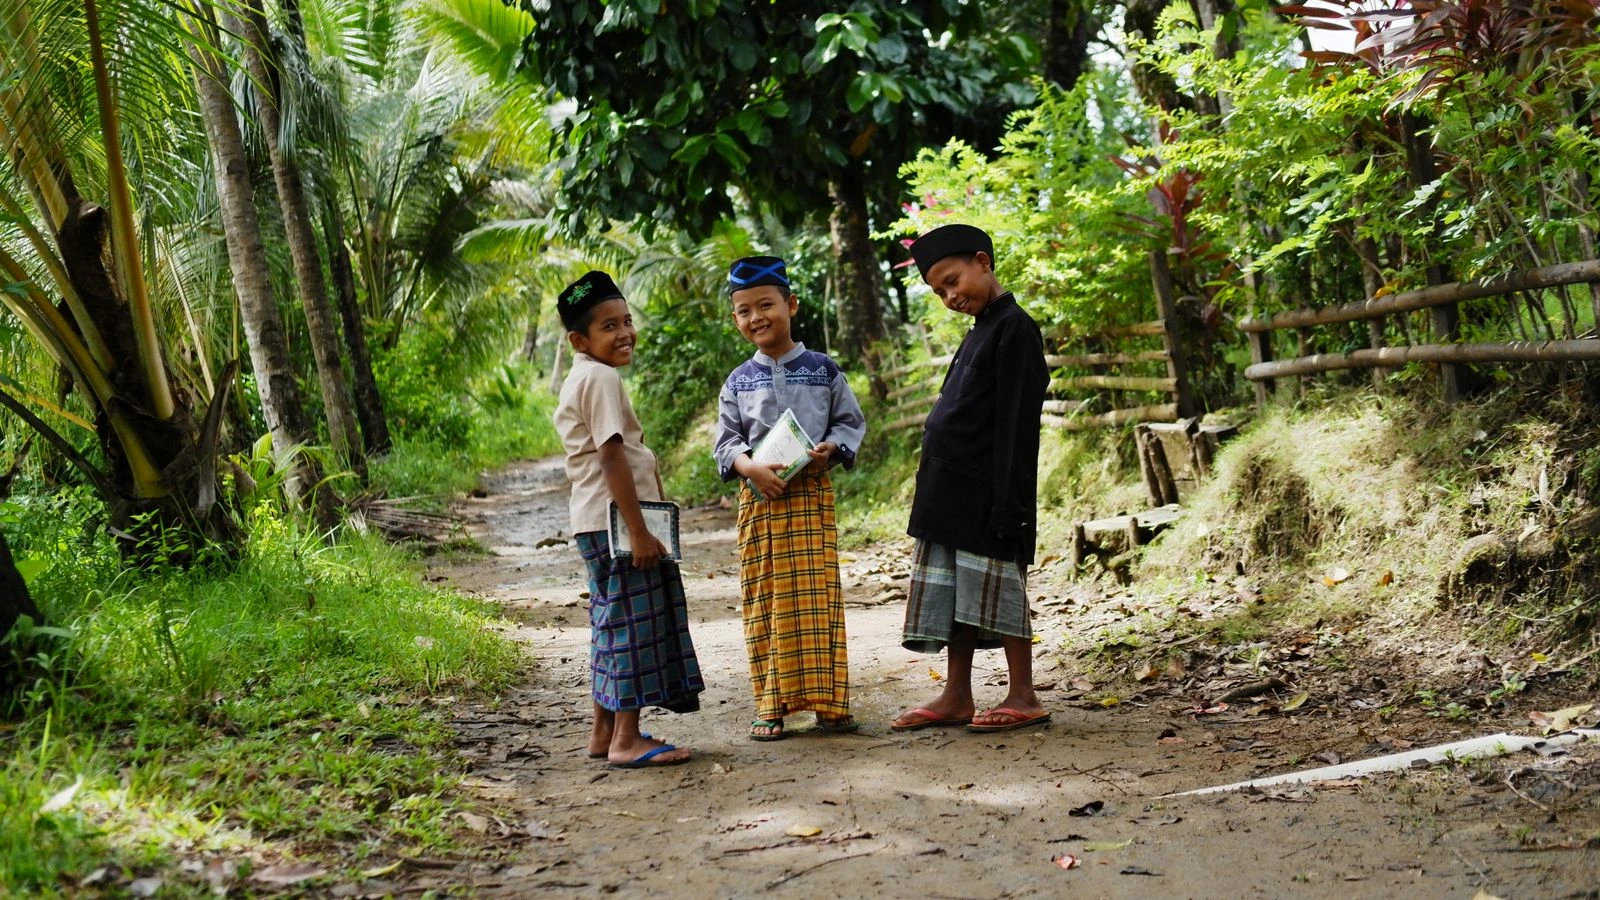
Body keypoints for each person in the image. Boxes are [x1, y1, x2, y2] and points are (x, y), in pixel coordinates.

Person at [890, 224, 1052, 735]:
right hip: (949, 495)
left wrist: (1010, 505)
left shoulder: (1015, 330)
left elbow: (1016, 428)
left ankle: (1023, 694)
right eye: (939, 291)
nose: (950, 296)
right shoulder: (981, 329)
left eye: (953, 281)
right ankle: (956, 694)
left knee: (999, 590)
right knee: (958, 596)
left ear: (983, 261)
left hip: (988, 495)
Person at [553, 270, 703, 768]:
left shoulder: (585, 375)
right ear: (580, 340)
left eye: (627, 321)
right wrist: (637, 529)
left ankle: (603, 733)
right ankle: (626, 739)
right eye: (608, 326)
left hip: (598, 521)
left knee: (611, 623)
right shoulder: (599, 378)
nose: (624, 334)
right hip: (616, 524)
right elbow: (612, 455)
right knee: (633, 628)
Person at [713, 256, 868, 741]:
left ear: (791, 304)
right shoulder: (737, 381)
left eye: (766, 305)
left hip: (810, 498)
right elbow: (725, 443)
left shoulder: (823, 369)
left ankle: (829, 703)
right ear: (735, 319)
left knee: (818, 598)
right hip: (760, 503)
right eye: (743, 310)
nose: (755, 317)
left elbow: (849, 422)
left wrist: (833, 449)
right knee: (765, 600)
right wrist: (749, 466)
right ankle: (771, 704)